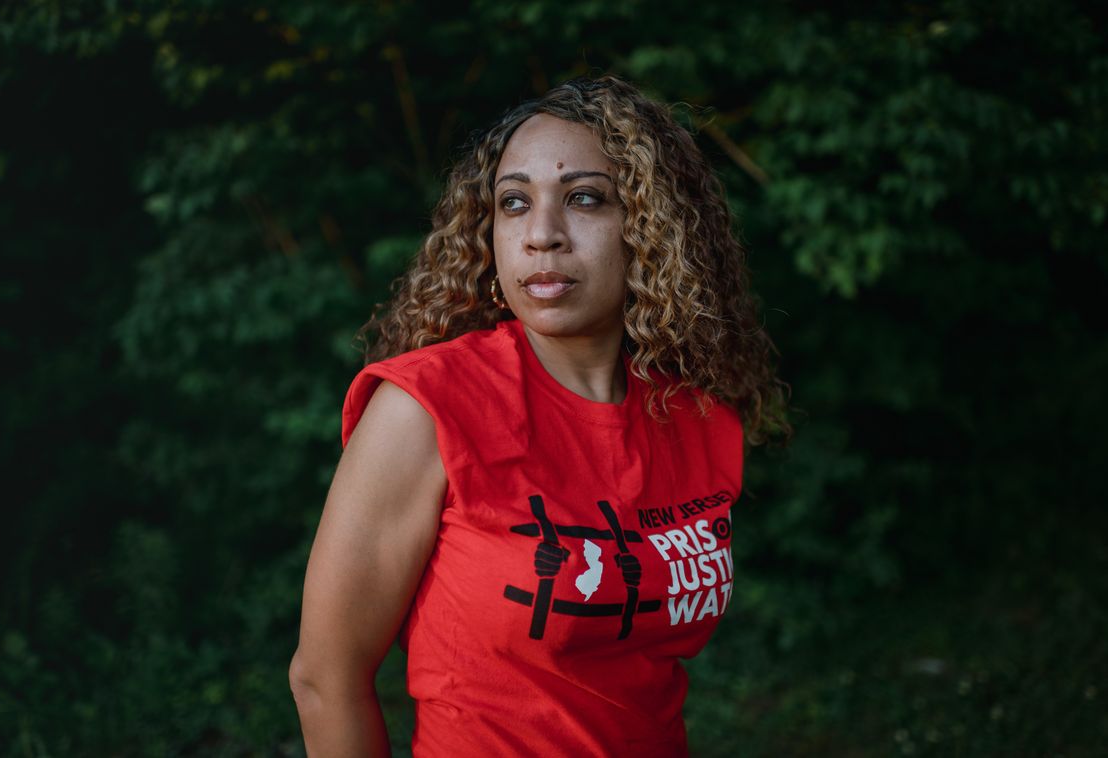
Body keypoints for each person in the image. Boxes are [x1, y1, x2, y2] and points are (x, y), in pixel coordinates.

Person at [289, 75, 789, 757]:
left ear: (650, 227)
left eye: (584, 199)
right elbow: (326, 678)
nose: (542, 235)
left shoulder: (697, 413)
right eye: (514, 203)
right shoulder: (426, 408)